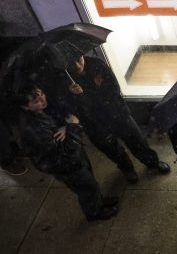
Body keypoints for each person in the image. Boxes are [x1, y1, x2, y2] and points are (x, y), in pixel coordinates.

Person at [16, 86, 118, 221]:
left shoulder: (40, 113)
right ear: (26, 107)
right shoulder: (32, 129)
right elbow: (65, 152)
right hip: (65, 166)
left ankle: (98, 201)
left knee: (89, 182)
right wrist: (73, 127)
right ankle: (94, 213)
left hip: (72, 160)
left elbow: (59, 126)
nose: (42, 100)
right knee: (86, 187)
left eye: (41, 94)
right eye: (35, 101)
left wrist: (65, 127)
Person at [66, 56, 170, 184]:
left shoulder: (97, 64)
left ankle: (152, 162)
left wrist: (85, 95)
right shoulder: (66, 78)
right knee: (112, 150)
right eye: (72, 62)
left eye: (78, 59)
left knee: (137, 140)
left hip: (117, 112)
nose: (77, 65)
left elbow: (114, 90)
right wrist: (77, 96)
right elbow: (75, 108)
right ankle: (127, 169)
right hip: (94, 124)